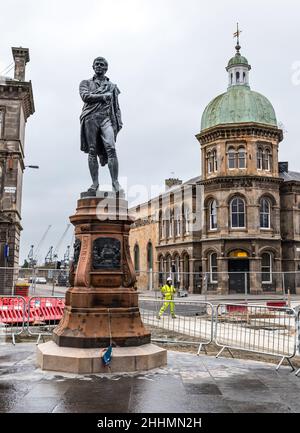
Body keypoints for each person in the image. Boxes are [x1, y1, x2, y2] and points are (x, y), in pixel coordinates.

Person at [79, 56, 123, 194]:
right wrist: (103, 96)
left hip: (106, 119)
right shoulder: (85, 83)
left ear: (106, 68)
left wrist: (118, 123)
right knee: (92, 150)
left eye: (102, 64)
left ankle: (115, 182)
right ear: (93, 67)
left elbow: (116, 108)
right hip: (90, 118)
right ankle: (95, 183)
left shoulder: (112, 86)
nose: (99, 66)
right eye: (96, 64)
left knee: (111, 148)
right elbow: (85, 96)